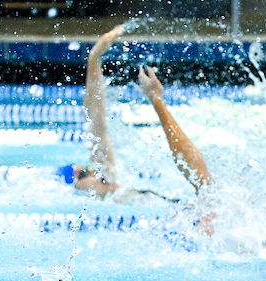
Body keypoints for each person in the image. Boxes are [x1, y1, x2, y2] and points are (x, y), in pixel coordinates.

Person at [60, 26, 214, 213]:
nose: (91, 175)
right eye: (84, 175)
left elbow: (96, 119)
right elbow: (95, 120)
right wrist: (94, 58)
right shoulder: (103, 188)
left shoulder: (111, 186)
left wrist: (94, 59)